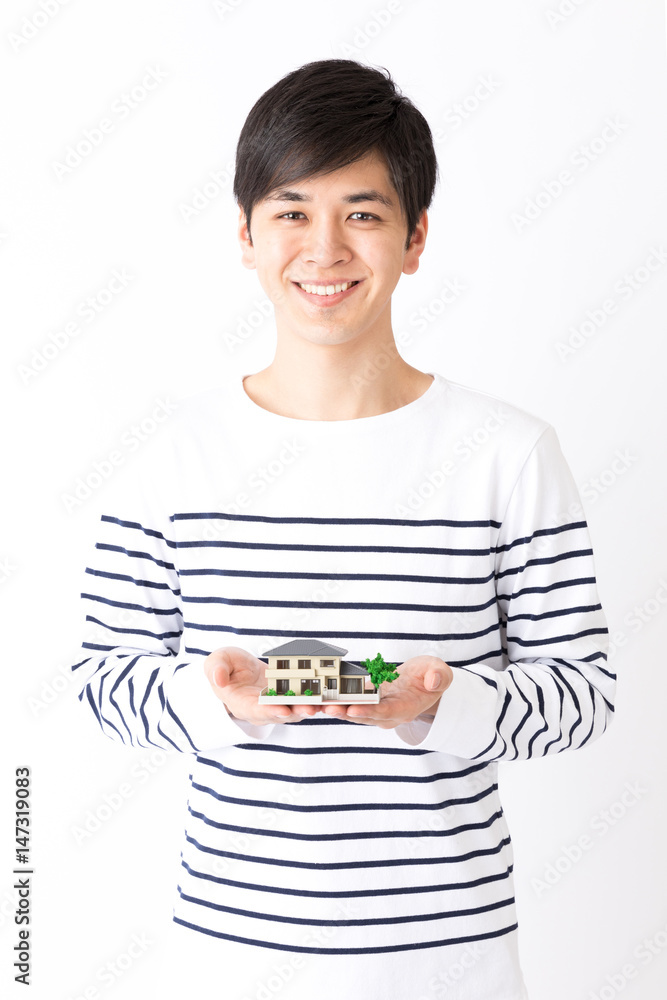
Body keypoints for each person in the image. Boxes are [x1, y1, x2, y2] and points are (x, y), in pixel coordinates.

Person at [73, 59, 614, 999]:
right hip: (227, 958)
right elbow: (98, 679)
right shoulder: (171, 456)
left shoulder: (508, 455)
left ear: (415, 240)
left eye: (362, 213)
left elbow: (582, 696)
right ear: (244, 236)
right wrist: (218, 701)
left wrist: (443, 705)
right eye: (291, 211)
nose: (324, 249)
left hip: (452, 965)